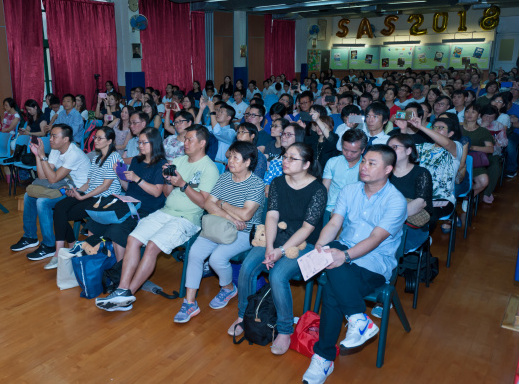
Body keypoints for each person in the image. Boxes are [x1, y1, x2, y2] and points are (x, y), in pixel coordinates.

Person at [302, 145, 406, 384]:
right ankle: (358, 319)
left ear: (388, 169)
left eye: (372, 163)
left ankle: (324, 357)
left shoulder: (396, 200)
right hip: (345, 249)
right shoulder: (349, 190)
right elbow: (334, 223)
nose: (364, 167)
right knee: (332, 255)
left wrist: (344, 256)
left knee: (332, 289)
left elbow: (375, 239)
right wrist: (321, 246)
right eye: (364, 161)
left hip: (374, 263)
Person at [95, 125, 219, 312]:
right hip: (166, 212)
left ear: (202, 143)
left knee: (152, 245)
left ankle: (127, 294)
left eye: (189, 139)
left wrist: (183, 184)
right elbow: (167, 194)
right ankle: (122, 288)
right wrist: (168, 181)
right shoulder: (178, 160)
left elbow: (203, 203)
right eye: (185, 139)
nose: (185, 143)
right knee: (133, 239)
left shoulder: (209, 168)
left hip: (187, 219)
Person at [229, 143, 327, 355]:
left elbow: (307, 228)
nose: (285, 161)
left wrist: (281, 251)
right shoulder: (277, 182)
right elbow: (272, 216)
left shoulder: (318, 190)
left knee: (278, 275)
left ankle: (284, 329)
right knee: (247, 267)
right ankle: (243, 315)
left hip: (304, 242)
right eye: (285, 156)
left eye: (292, 158)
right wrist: (270, 247)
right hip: (275, 236)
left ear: (306, 164)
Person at [174, 141, 265, 323]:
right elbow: (208, 203)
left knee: (217, 259)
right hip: (218, 226)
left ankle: (228, 288)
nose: (230, 161)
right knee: (194, 254)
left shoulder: (256, 184)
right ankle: (190, 303)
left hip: (244, 232)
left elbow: (246, 215)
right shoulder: (224, 178)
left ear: (247, 162)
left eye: (236, 158)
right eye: (230, 157)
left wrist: (222, 203)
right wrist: (230, 217)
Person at [83, 127, 167, 261]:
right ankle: (93, 261)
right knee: (94, 223)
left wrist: (137, 179)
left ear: (154, 143)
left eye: (144, 143)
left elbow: (157, 192)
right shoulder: (136, 161)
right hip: (128, 204)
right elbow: (129, 188)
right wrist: (120, 176)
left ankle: (119, 267)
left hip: (146, 208)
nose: (140, 146)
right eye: (139, 142)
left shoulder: (161, 164)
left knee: (117, 231)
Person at [10, 124, 90, 259]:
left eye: (54, 136)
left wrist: (43, 156)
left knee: (43, 202)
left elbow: (52, 179)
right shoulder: (56, 150)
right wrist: (38, 156)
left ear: (65, 139)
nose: (50, 139)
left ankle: (49, 245)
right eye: (50, 135)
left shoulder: (74, 154)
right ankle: (30, 237)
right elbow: (43, 177)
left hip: (79, 191)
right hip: (64, 185)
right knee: (29, 195)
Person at [48, 126, 122, 269]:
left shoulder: (114, 158)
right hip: (91, 195)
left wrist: (82, 197)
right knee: (59, 208)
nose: (96, 140)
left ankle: (62, 251)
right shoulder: (96, 158)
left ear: (109, 141)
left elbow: (105, 187)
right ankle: (65, 249)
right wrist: (76, 191)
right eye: (95, 137)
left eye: (100, 138)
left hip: (104, 199)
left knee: (61, 214)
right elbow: (89, 183)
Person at [403, 116, 463, 232]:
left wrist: (420, 127)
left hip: (442, 199)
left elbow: (446, 143)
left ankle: (423, 242)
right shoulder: (425, 147)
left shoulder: (456, 147)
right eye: (434, 127)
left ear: (451, 133)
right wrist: (403, 129)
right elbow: (404, 151)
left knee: (427, 216)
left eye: (441, 128)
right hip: (419, 196)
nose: (436, 130)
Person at [387, 135, 433, 252]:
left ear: (408, 151)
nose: (390, 150)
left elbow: (420, 203)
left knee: (386, 244)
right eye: (388, 147)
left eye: (395, 147)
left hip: (411, 225)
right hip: (385, 221)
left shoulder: (422, 173)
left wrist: (390, 217)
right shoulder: (385, 171)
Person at [322, 129, 367, 223]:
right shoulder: (333, 162)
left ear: (363, 150)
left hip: (354, 213)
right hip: (329, 209)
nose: (348, 154)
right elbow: (324, 190)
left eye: (353, 152)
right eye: (345, 149)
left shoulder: (366, 168)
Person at [461, 103, 494, 198]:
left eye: (473, 112)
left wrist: (472, 148)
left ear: (479, 115)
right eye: (467, 111)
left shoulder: (483, 131)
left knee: (484, 181)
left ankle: (467, 199)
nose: (469, 114)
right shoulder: (458, 128)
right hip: (457, 160)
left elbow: (490, 149)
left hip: (474, 162)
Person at [264, 123, 306, 190]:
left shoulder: (303, 161)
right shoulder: (275, 160)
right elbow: (267, 185)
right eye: (283, 134)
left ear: (298, 137)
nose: (283, 137)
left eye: (288, 135)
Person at [479, 104, 507, 204]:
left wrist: (496, 141)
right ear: (481, 115)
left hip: (492, 152)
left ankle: (487, 193)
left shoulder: (498, 126)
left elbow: (505, 142)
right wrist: (481, 129)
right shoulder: (475, 123)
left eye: (492, 117)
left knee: (495, 165)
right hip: (477, 152)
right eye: (486, 116)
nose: (488, 119)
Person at [200, 99, 235, 165]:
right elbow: (197, 128)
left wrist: (212, 111)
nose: (218, 114)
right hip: (206, 161)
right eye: (218, 111)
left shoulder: (231, 133)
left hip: (219, 164)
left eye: (221, 112)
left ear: (228, 118)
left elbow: (217, 132)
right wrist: (201, 109)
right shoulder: (210, 128)